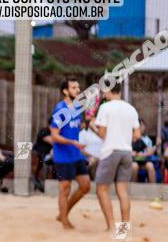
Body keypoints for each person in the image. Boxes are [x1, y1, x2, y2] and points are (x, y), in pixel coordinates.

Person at [93, 87, 141, 231]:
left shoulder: (105, 108)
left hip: (110, 151)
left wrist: (93, 127)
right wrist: (124, 138)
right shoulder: (131, 109)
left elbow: (102, 134)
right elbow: (137, 135)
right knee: (122, 191)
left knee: (101, 189)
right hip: (126, 152)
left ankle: (111, 226)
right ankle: (123, 229)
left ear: (108, 91)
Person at [50, 78, 91, 229]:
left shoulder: (76, 108)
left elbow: (73, 128)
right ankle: (65, 220)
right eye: (74, 88)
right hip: (63, 156)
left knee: (85, 186)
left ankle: (63, 213)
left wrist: (87, 123)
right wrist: (73, 142)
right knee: (65, 188)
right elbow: (54, 135)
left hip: (75, 154)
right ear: (65, 91)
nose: (78, 90)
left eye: (78, 87)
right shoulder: (60, 109)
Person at [78, 116, 103, 181]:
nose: (96, 123)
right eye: (94, 121)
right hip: (89, 158)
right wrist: (91, 156)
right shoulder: (83, 133)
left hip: (102, 158)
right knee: (93, 161)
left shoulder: (102, 135)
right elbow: (80, 149)